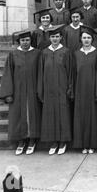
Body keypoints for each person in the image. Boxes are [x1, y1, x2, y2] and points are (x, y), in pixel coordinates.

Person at [0, 29, 42, 155]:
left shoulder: (37, 53)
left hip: (33, 90)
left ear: (30, 41)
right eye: (22, 40)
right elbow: (7, 75)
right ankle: (21, 141)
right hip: (18, 92)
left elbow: (41, 72)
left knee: (32, 115)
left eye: (27, 40)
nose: (25, 42)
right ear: (19, 41)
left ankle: (32, 140)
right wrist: (8, 93)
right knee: (18, 116)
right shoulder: (13, 55)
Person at [37, 24, 73, 155]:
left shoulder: (66, 52)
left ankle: (63, 141)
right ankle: (53, 142)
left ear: (61, 37)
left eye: (57, 36)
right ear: (49, 38)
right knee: (50, 115)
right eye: (52, 36)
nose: (55, 39)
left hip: (62, 89)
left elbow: (70, 72)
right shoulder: (44, 53)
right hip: (49, 89)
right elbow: (40, 73)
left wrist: (70, 88)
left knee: (63, 114)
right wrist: (40, 90)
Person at [72, 25, 97, 154]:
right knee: (81, 117)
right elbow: (72, 74)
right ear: (81, 39)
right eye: (84, 38)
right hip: (79, 90)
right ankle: (83, 144)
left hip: (93, 89)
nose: (86, 40)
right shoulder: (76, 54)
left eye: (89, 37)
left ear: (92, 39)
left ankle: (92, 144)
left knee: (93, 117)